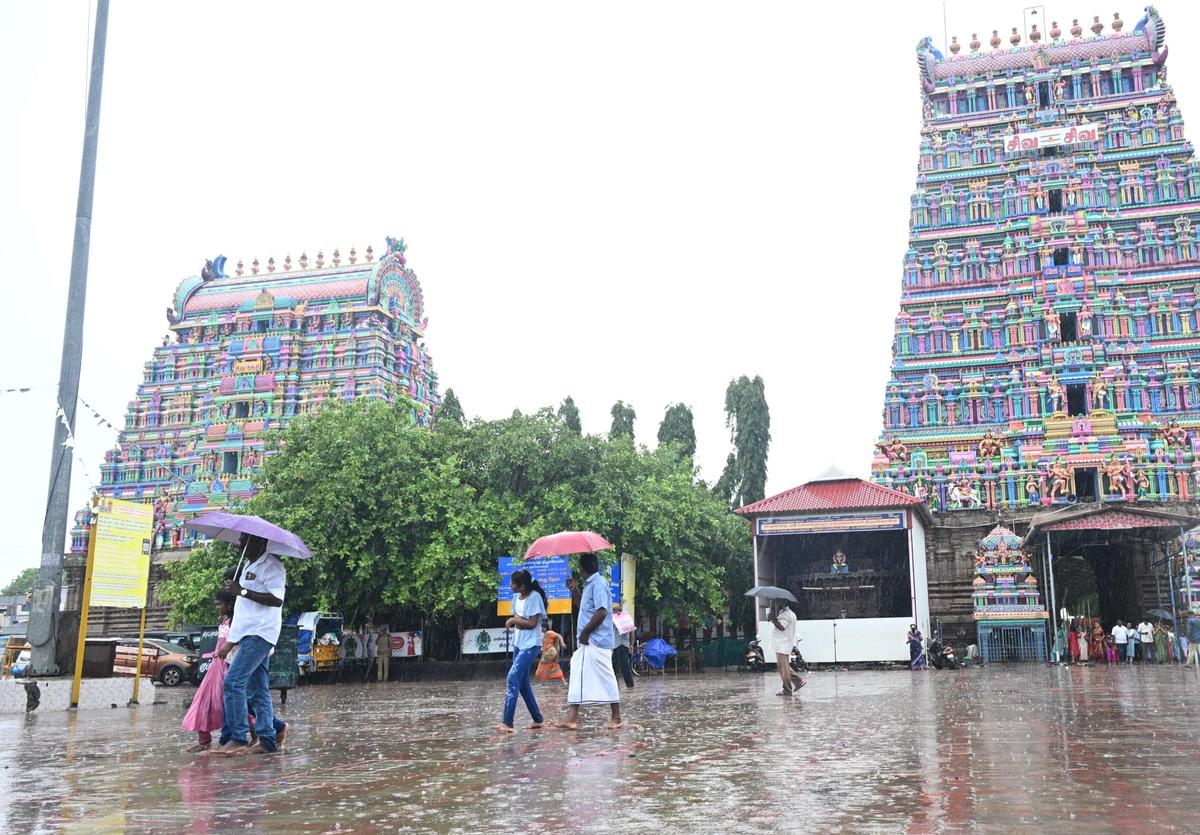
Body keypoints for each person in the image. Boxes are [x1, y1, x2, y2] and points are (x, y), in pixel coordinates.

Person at [210, 534, 288, 755]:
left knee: (233, 682)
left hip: (260, 633)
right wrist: (230, 641)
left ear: (260, 542)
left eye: (246, 540)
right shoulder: (247, 566)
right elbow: (244, 610)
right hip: (247, 634)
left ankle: (238, 737)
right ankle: (268, 740)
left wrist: (242, 591)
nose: (241, 544)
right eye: (241, 539)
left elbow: (277, 600)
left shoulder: (272, 567)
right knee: (258, 691)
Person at [556, 554, 622, 730]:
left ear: (582, 569)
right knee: (577, 673)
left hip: (596, 640)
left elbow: (601, 612)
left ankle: (616, 717)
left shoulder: (598, 584)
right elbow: (584, 608)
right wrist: (574, 590)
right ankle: (572, 718)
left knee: (606, 676)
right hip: (589, 641)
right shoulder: (589, 585)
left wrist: (585, 633)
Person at [493, 569, 548, 733]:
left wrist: (514, 620)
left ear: (522, 586)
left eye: (513, 584)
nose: (510, 586)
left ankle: (507, 722)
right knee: (523, 683)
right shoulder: (516, 597)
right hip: (518, 642)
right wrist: (517, 620)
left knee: (512, 678)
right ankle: (537, 719)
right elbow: (519, 619)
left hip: (531, 644)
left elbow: (532, 623)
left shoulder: (535, 597)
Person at [182, 590, 237, 751]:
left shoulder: (237, 621)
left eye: (219, 604)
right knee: (204, 701)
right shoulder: (225, 620)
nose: (217, 607)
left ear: (229, 605)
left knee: (229, 702)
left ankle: (257, 733)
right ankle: (204, 741)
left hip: (228, 665)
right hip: (216, 664)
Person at [773, 600, 806, 692]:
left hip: (782, 644)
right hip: (783, 644)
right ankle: (798, 681)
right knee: (784, 666)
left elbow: (782, 627)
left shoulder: (786, 614)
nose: (776, 603)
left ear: (783, 603)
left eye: (778, 602)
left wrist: (773, 620)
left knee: (784, 668)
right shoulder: (786, 613)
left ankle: (787, 689)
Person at [610, 602, 635, 690]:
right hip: (616, 645)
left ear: (617, 611)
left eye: (613, 611)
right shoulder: (618, 619)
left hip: (621, 644)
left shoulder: (620, 619)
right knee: (614, 664)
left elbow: (632, 631)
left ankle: (630, 684)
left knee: (624, 665)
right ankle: (614, 684)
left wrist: (631, 644)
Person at [534, 621, 566, 685]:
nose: (540, 629)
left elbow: (559, 636)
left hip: (549, 653)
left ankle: (542, 682)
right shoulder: (545, 634)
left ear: (545, 628)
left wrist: (562, 643)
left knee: (542, 667)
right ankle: (564, 682)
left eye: (541, 627)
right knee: (555, 666)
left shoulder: (550, 632)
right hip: (549, 653)